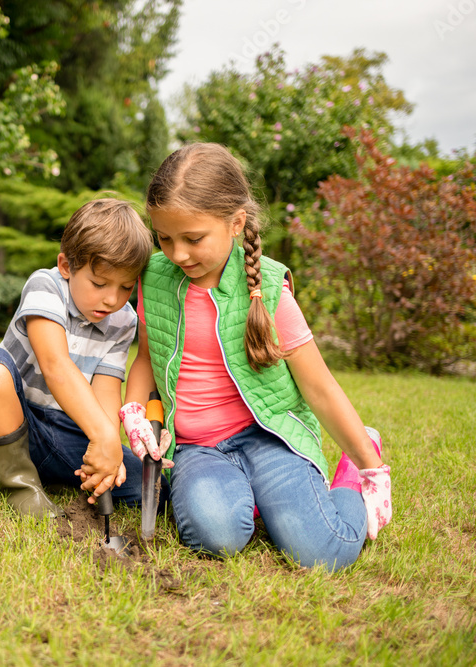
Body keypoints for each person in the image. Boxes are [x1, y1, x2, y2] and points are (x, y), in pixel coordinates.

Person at [120, 143, 392, 571]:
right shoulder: (153, 277)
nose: (177, 254)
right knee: (216, 535)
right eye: (165, 238)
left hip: (269, 436)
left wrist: (372, 467)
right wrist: (134, 409)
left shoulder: (267, 287)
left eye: (193, 239)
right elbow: (145, 359)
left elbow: (318, 388)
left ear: (236, 223)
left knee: (324, 552)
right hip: (196, 447)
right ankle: (253, 495)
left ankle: (348, 480)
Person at [0, 199, 154, 518]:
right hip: (13, 419)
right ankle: (21, 487)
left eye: (125, 287)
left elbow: (106, 389)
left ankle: (53, 474)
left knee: (151, 492)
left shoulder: (124, 320)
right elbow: (56, 365)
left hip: (68, 431)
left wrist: (108, 450)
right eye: (99, 283)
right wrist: (102, 435)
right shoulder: (46, 286)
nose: (112, 299)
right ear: (66, 266)